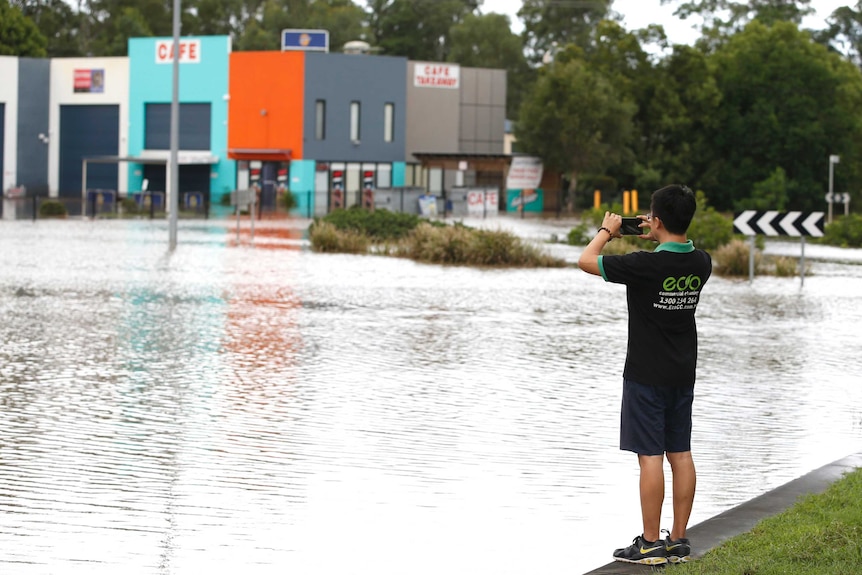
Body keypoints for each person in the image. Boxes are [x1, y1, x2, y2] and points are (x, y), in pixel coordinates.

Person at [577, 184, 712, 565]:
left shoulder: (644, 264)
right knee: (680, 453)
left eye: (652, 217)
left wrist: (607, 231)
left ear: (657, 220)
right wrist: (663, 230)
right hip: (682, 373)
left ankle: (651, 543)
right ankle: (679, 539)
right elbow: (681, 245)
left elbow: (586, 261)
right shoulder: (702, 262)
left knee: (650, 457)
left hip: (645, 374)